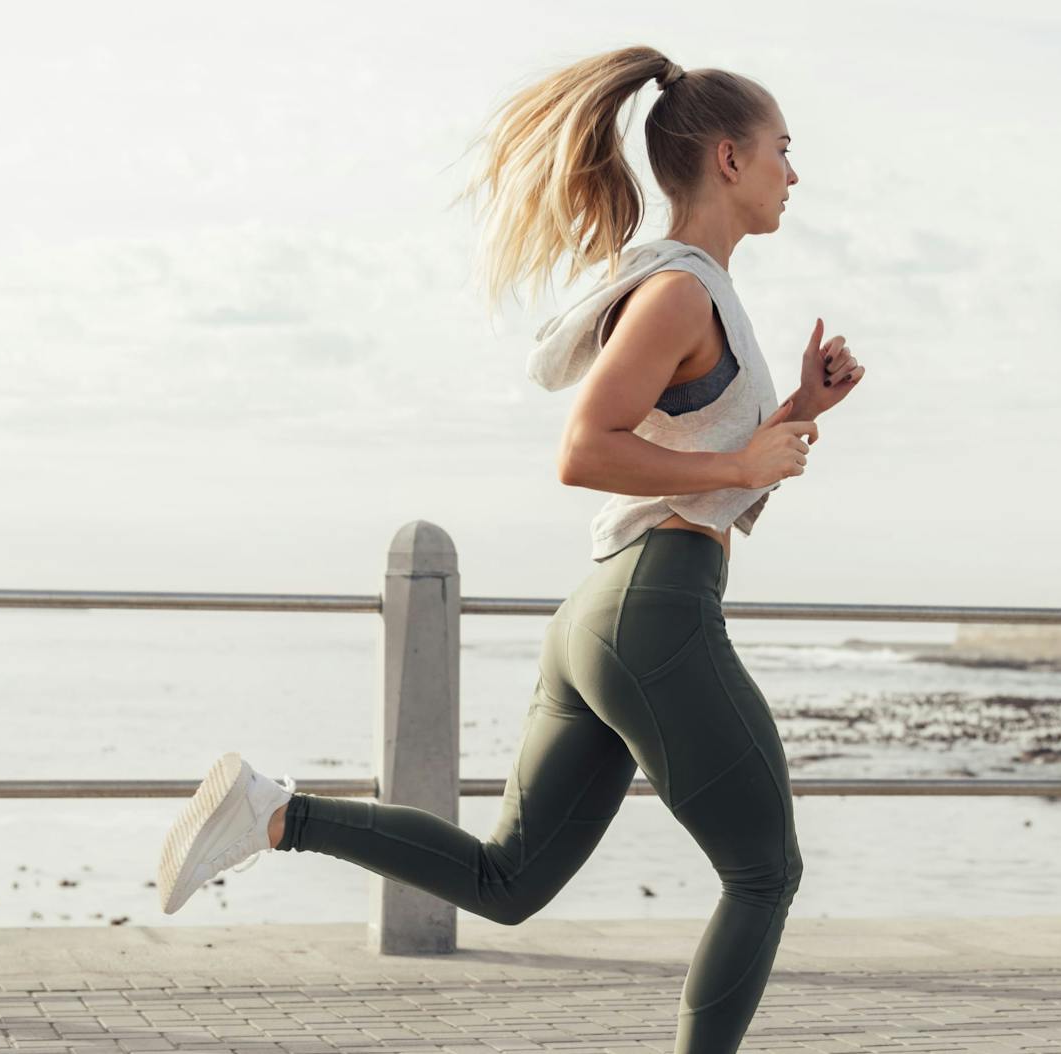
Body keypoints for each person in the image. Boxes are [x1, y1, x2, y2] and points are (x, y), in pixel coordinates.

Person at [154, 44, 865, 1052]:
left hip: (611, 614)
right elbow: (584, 449)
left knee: (509, 881)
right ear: (727, 160)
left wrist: (794, 410)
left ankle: (274, 813)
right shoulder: (677, 293)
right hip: (653, 612)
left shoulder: (697, 292)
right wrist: (746, 453)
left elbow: (697, 454)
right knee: (765, 872)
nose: (795, 173)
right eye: (782, 150)